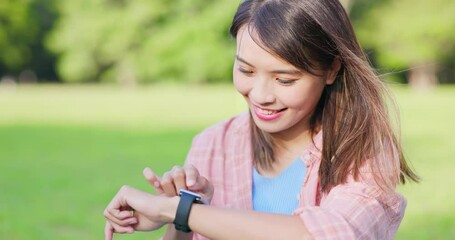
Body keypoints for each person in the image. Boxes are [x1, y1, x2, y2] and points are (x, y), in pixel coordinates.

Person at [103, 0, 419, 239]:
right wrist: (181, 215)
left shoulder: (363, 151)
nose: (261, 94)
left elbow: (328, 234)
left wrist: (178, 210)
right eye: (246, 70)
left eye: (284, 79)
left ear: (332, 70)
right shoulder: (213, 144)